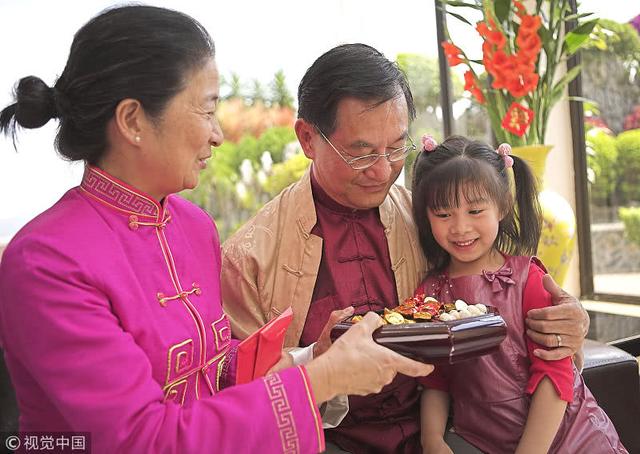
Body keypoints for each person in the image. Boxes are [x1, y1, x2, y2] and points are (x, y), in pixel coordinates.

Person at [0, 7, 435, 453]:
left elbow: (217, 369)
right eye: (207, 109)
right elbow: (140, 440)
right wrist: (322, 379)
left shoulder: (193, 228)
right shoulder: (46, 261)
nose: (218, 134)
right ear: (132, 121)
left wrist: (315, 357)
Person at [221, 43, 591, 453]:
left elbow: (506, 288)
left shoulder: (430, 219)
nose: (382, 171)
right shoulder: (250, 257)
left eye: (396, 148)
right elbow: (235, 394)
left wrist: (567, 319)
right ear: (308, 138)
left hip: (446, 431)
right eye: (360, 154)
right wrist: (316, 360)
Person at [412, 135, 627, 454]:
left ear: (502, 205)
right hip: (485, 441)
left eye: (474, 210)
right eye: (443, 214)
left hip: (574, 435)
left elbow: (555, 373)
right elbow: (434, 377)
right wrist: (432, 439)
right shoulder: (428, 295)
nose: (459, 227)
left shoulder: (529, 280)